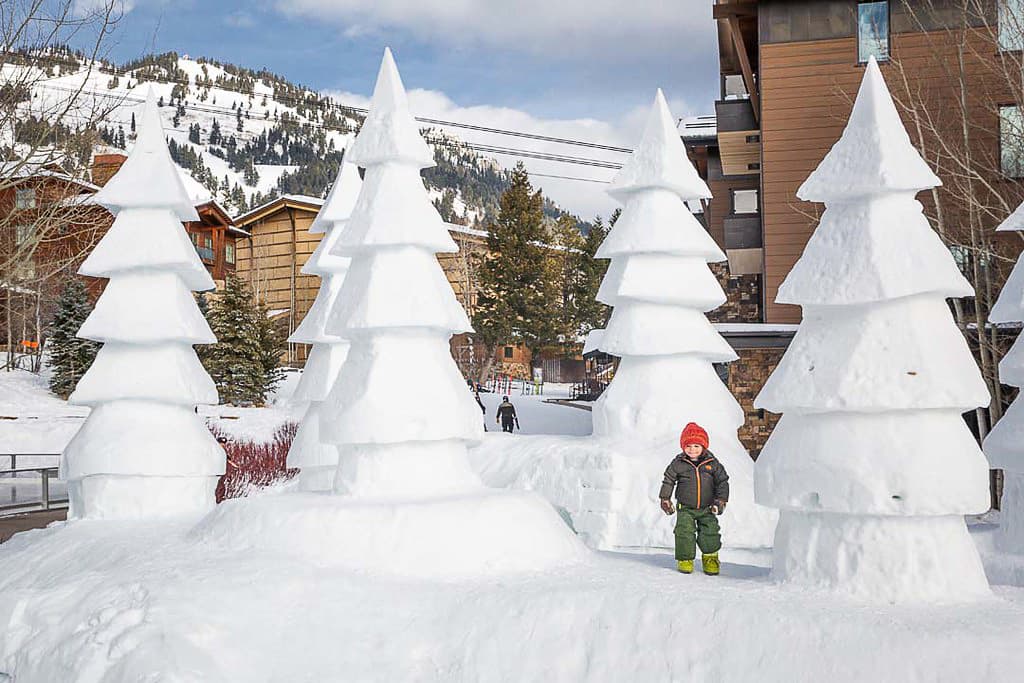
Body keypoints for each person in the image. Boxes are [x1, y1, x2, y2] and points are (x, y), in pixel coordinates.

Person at [658, 422, 729, 576]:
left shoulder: (712, 464)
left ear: (704, 447)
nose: (692, 449)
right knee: (684, 532)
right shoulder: (678, 463)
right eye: (689, 446)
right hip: (686, 508)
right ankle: (685, 559)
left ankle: (710, 559)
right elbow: (668, 479)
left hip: (708, 507)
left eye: (697, 446)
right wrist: (665, 499)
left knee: (710, 532)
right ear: (683, 447)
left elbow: (722, 481)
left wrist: (721, 501)